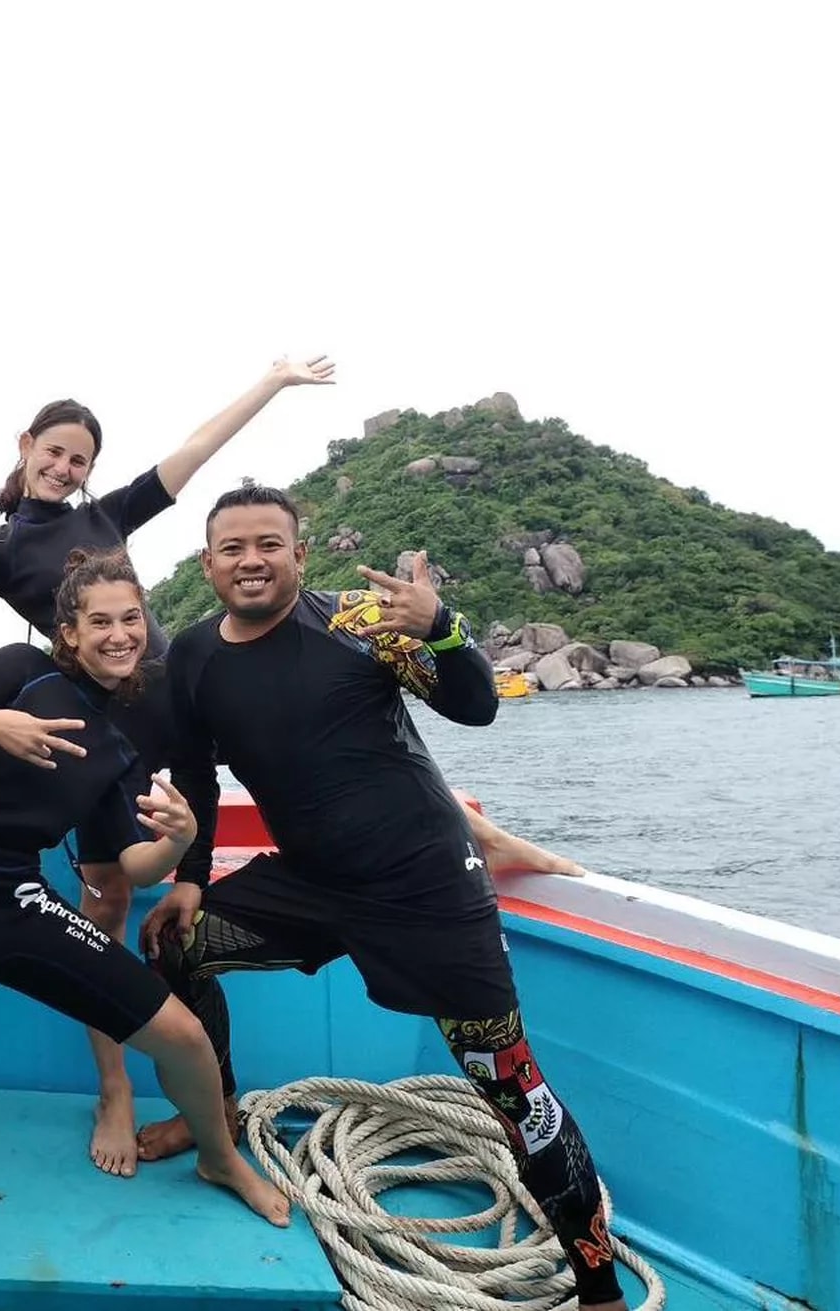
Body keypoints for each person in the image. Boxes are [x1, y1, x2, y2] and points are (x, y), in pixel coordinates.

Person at [137, 482, 630, 1311]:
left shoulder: (361, 621)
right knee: (176, 945)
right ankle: (213, 1107)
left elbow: (475, 706)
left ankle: (599, 1289)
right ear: (208, 562)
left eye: (269, 544)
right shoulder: (192, 654)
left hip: (425, 885)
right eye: (233, 547)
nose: (252, 560)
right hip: (310, 884)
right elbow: (194, 772)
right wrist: (190, 876)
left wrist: (443, 627)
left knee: (516, 1094)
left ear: (300, 552)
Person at [0, 550, 291, 1311]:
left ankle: (219, 1157)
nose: (120, 634)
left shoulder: (115, 746)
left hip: (14, 897)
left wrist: (180, 841)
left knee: (184, 1038)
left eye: (131, 619)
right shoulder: (21, 671)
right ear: (70, 632)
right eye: (101, 621)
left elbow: (132, 865)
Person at [0, 356, 334, 1176]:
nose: (64, 467)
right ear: (25, 445)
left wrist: (273, 382)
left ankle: (481, 837)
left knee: (286, 759)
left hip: (166, 704)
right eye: (54, 451)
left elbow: (194, 450)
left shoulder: (107, 514)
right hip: (95, 735)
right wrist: (1, 696)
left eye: (80, 458)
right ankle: (114, 1087)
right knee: (107, 908)